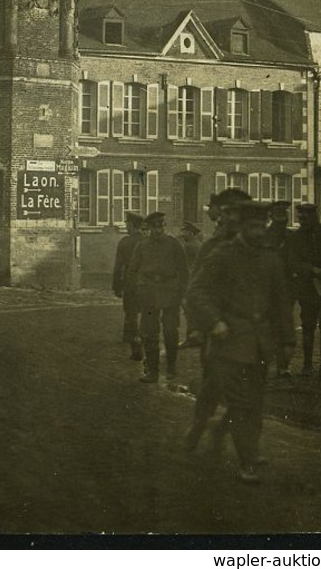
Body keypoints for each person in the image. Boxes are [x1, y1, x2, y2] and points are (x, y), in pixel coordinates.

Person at [185, 200, 295, 484]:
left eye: (263, 226)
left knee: (254, 402)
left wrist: (287, 341)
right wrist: (214, 322)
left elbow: (282, 302)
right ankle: (245, 459)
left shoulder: (271, 258)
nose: (259, 232)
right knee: (236, 399)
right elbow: (196, 291)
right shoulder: (224, 254)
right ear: (242, 227)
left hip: (259, 342)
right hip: (228, 341)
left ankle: (241, 444)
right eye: (253, 226)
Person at [128, 211, 188, 383]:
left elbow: (184, 270)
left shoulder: (174, 244)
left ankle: (171, 367)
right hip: (148, 293)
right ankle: (152, 372)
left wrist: (182, 292)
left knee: (170, 331)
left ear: (164, 226)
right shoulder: (142, 246)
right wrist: (136, 292)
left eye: (160, 226)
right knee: (149, 333)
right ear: (149, 228)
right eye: (154, 227)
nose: (157, 230)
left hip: (170, 291)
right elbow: (133, 269)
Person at [288, 202, 321, 379]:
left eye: (306, 217)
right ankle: (307, 363)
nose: (303, 221)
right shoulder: (296, 238)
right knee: (308, 326)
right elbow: (293, 262)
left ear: (315, 216)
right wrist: (311, 270)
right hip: (307, 289)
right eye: (300, 218)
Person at [265, 200, 295, 378]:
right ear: (271, 216)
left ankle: (283, 366)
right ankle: (263, 364)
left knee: (284, 326)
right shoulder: (264, 237)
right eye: (278, 214)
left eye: (284, 214)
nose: (282, 218)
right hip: (267, 290)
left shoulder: (291, 237)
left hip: (287, 289)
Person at [111, 212, 146, 360]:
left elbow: (118, 267)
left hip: (130, 282)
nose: (126, 226)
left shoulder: (125, 242)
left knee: (131, 313)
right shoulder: (147, 241)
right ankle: (140, 338)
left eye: (127, 224)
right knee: (146, 313)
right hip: (146, 283)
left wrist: (117, 286)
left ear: (131, 225)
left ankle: (133, 341)